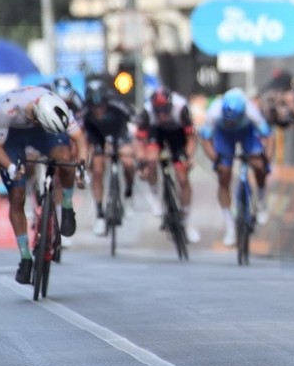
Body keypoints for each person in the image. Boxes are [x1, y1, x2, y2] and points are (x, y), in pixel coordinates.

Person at [0, 86, 87, 284]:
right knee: (17, 195)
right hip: (13, 135)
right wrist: (10, 167)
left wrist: (81, 167)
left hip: (44, 133)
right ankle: (25, 258)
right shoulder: (7, 109)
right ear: (35, 119)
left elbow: (79, 139)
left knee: (65, 160)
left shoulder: (57, 105)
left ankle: (66, 205)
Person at [200, 87, 273, 247]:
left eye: (234, 120)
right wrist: (216, 160)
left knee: (259, 165)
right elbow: (205, 140)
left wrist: (266, 160)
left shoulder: (251, 111)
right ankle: (230, 227)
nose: (232, 123)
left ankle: (261, 201)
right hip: (224, 135)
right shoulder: (214, 112)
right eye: (229, 120)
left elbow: (268, 136)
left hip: (247, 132)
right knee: (224, 175)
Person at [136, 85, 200, 243]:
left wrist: (189, 157)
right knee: (151, 160)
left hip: (177, 135)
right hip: (156, 133)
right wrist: (141, 162)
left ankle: (186, 221)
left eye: (165, 111)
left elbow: (191, 138)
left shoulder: (181, 108)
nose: (162, 115)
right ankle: (155, 198)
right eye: (158, 112)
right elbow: (139, 141)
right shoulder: (147, 112)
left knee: (182, 177)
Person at [80, 77, 136, 236]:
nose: (98, 110)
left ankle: (129, 193)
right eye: (94, 107)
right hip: (98, 137)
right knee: (97, 170)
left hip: (119, 134)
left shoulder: (118, 105)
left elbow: (136, 123)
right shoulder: (85, 112)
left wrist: (134, 148)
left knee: (128, 162)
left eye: (101, 106)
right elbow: (80, 135)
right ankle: (99, 213)